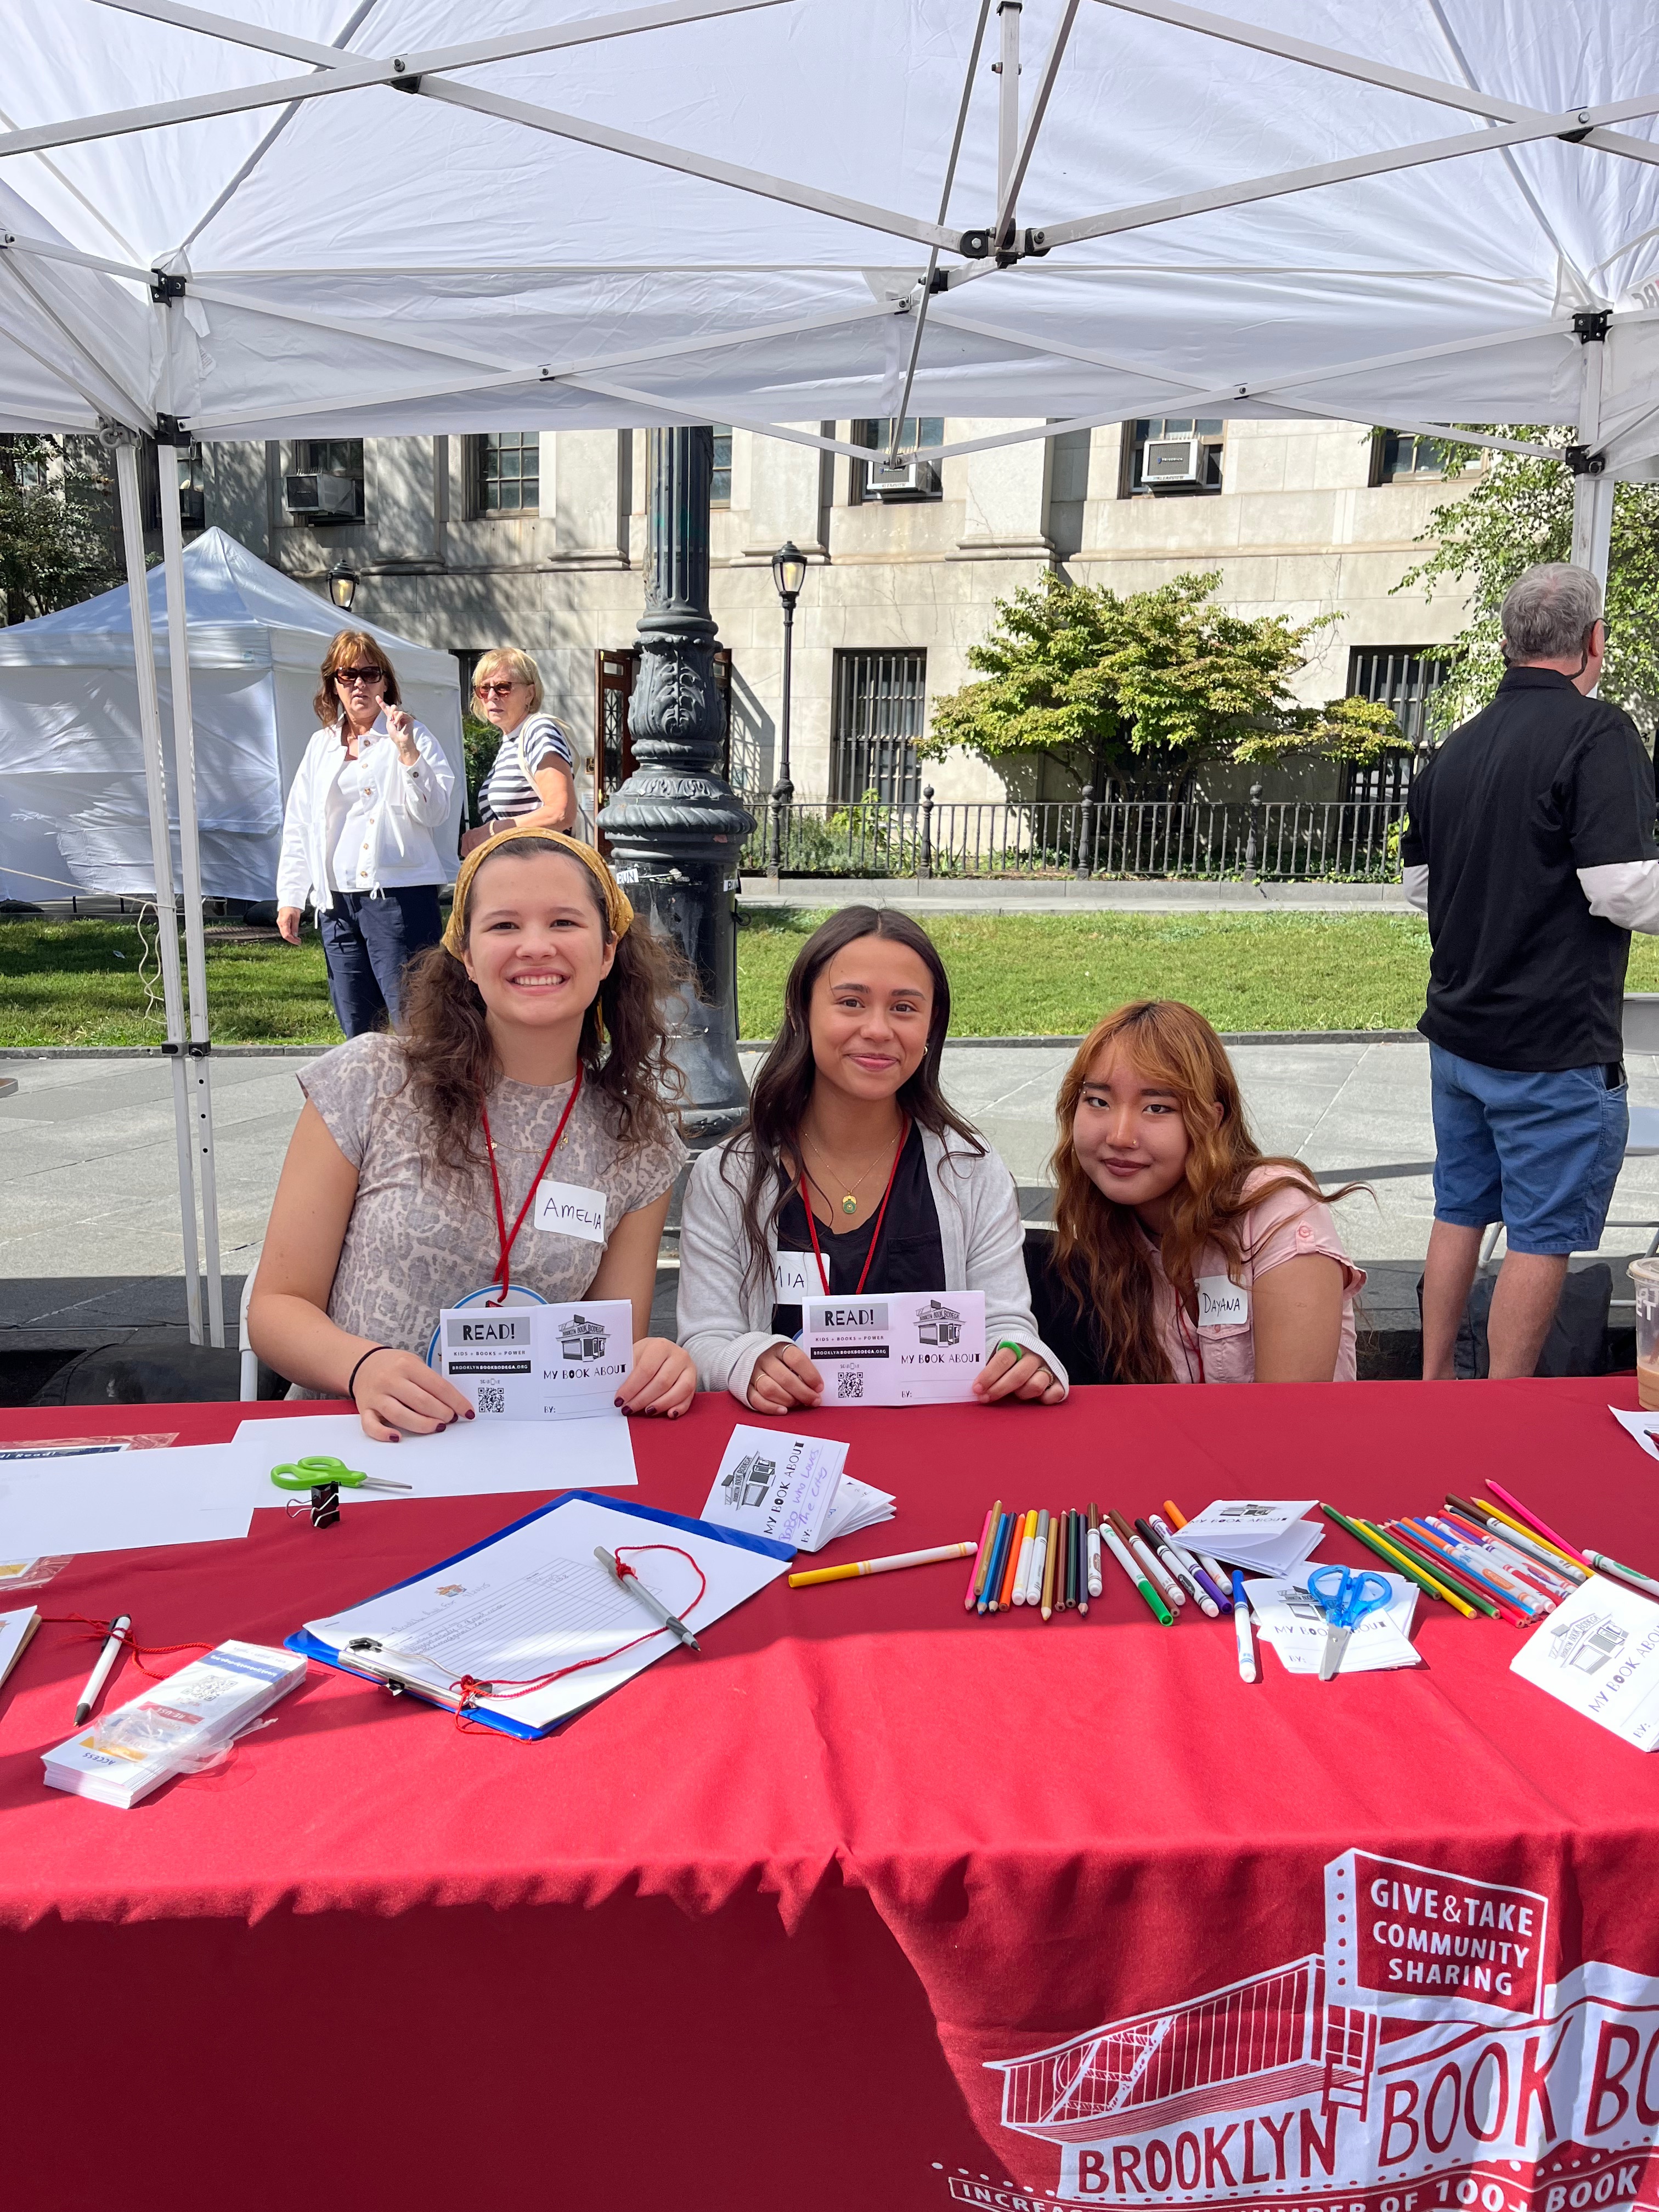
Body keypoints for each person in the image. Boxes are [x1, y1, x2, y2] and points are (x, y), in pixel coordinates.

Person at [250, 830, 695, 1438]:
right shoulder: (372, 1082)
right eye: (504, 926)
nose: (536, 947)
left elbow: (608, 1348)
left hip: (527, 1449)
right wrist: (364, 1367)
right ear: (464, 951)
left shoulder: (636, 1142)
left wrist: (653, 1365)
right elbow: (276, 1309)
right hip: (352, 1442)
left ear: (608, 951)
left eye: (564, 922)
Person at [1402, 562, 1659, 1382]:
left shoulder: (1457, 746)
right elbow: (1622, 888)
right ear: (1596, 642)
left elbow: (1419, 886)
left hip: (1458, 1033)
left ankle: (1434, 1385)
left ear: (1509, 643)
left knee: (1459, 1212)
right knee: (1542, 1234)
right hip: (1550, 1047)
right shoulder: (1600, 732)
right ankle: (1500, 1413)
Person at [676, 906, 1068, 1410]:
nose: (879, 1029)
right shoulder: (729, 1176)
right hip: (790, 1451)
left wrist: (1018, 1358)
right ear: (802, 1012)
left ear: (931, 1027)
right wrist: (748, 1360)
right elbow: (706, 1339)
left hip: (932, 1445)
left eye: (905, 1008)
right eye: (851, 1002)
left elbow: (1005, 1327)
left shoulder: (970, 1170)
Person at [1029, 1000, 1364, 1385]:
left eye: (1157, 1108)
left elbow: (1288, 1423)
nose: (1120, 1136)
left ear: (1212, 1120)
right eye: (1099, 1102)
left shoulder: (1278, 1214)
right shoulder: (1101, 1231)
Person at [276, 630, 455, 1037]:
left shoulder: (413, 734)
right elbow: (301, 822)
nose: (359, 684)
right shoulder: (320, 745)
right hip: (336, 902)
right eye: (347, 675)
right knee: (357, 1027)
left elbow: (436, 810)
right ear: (332, 684)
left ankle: (424, 1101)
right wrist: (291, 896)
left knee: (416, 1022)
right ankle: (369, 1101)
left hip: (399, 897)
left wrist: (408, 753)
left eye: (370, 674)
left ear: (386, 683)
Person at [461, 647, 580, 855]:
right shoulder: (510, 740)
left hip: (538, 872)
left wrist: (492, 831)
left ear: (530, 693)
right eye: (484, 689)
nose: (492, 696)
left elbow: (561, 813)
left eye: (503, 687)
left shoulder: (539, 730)